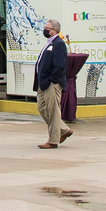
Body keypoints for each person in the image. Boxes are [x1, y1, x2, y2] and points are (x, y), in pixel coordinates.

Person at [33, 18, 73, 149]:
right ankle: (64, 129)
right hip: (42, 83)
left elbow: (60, 66)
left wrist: (52, 80)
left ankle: (53, 140)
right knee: (42, 108)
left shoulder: (58, 44)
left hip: (51, 83)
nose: (44, 30)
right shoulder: (49, 43)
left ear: (54, 31)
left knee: (53, 111)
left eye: (47, 28)